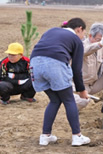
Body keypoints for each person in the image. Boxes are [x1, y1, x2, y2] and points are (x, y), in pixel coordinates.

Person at [30, 18, 90, 146]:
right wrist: (81, 90)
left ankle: (45, 136)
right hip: (54, 64)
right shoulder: (76, 40)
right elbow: (76, 69)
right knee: (69, 100)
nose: (83, 36)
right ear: (79, 28)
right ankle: (77, 136)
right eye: (83, 33)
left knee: (55, 100)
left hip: (34, 64)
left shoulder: (50, 31)